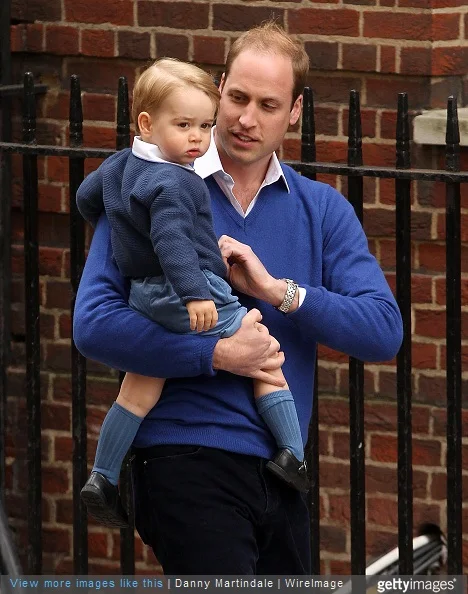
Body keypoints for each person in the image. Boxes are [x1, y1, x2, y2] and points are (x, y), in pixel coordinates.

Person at [73, 21, 403, 574]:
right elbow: (94, 324)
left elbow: (383, 330)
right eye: (238, 97)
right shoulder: (150, 182)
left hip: (281, 470)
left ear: (294, 111)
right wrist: (217, 355)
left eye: (268, 105)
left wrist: (280, 292)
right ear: (219, 88)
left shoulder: (321, 210)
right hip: (183, 456)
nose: (247, 119)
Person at [76, 57, 308, 530]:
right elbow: (172, 242)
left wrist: (119, 227)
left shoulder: (120, 164)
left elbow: (86, 197)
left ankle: (101, 478)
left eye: (204, 124)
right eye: (184, 125)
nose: (198, 138)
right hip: (186, 292)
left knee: (139, 388)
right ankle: (292, 454)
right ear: (147, 123)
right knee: (263, 348)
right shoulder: (176, 181)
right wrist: (197, 295)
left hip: (144, 295)